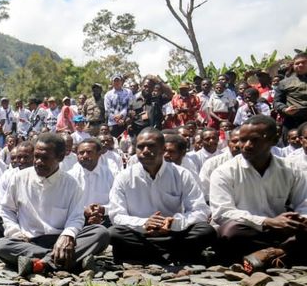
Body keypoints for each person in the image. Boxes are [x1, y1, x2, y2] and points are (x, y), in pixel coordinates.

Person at [0, 133, 110, 276]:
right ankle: (68, 261)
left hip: (62, 241)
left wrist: (68, 235)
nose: (38, 162)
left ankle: (39, 264)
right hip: (28, 242)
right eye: (36, 156)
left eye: (45, 158)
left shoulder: (71, 184)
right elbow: (6, 210)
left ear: (60, 157)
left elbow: (76, 217)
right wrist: (15, 232)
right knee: (2, 245)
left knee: (100, 233)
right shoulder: (19, 178)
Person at [210, 115, 307, 273]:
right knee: (230, 232)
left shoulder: (291, 169)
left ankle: (271, 254)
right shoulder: (224, 172)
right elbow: (222, 212)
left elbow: (304, 203)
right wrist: (267, 221)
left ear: (274, 140)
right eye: (242, 140)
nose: (246, 146)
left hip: (283, 230)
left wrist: (299, 220)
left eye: (254, 140)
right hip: (248, 230)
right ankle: (283, 253)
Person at [107, 128, 215, 263]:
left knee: (206, 230)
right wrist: (144, 223)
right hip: (141, 234)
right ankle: (173, 254)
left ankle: (149, 255)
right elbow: (116, 215)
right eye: (140, 147)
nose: (145, 150)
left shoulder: (181, 174)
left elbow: (200, 210)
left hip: (173, 233)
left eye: (151, 146)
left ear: (163, 149)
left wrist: (173, 223)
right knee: (113, 233)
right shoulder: (124, 177)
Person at [69, 138, 114, 226]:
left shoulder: (111, 174)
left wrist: (103, 209)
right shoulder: (70, 176)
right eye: (81, 153)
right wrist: (84, 211)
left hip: (105, 217)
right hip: (78, 219)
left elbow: (117, 203)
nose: (84, 156)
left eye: (89, 152)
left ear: (99, 154)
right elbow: (66, 205)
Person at [199, 128, 241, 201]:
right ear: (228, 143)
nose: (238, 144)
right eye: (234, 141)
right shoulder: (211, 164)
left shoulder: (257, 163)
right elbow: (204, 191)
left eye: (242, 141)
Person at [274, 53, 307, 137]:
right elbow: (277, 102)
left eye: (303, 62)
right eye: (297, 63)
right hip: (293, 121)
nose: (300, 65)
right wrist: (285, 109)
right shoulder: (284, 83)